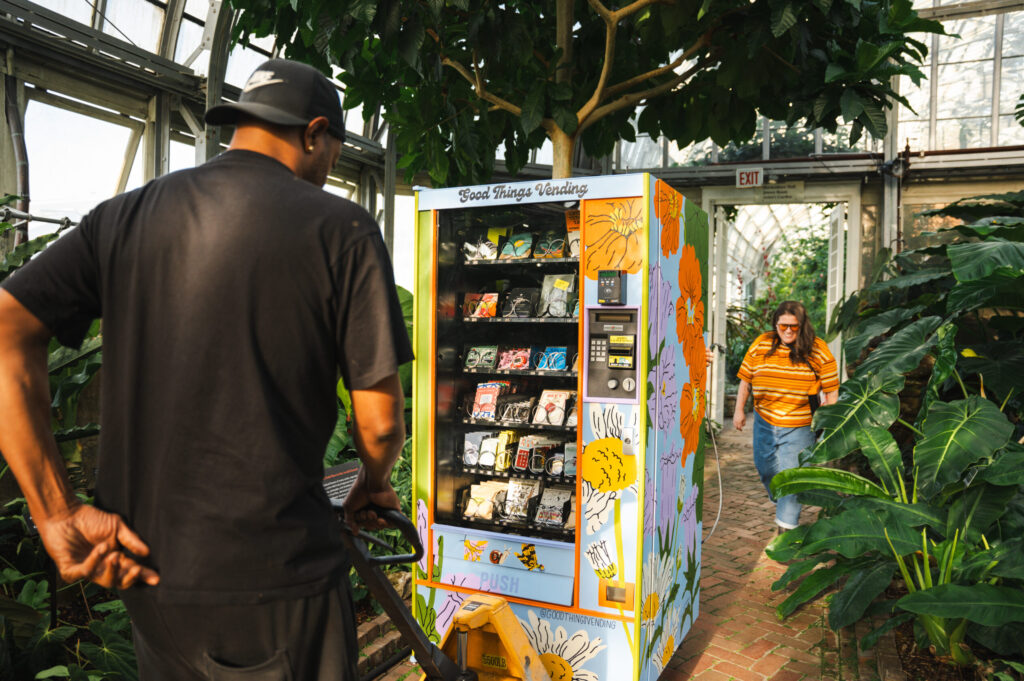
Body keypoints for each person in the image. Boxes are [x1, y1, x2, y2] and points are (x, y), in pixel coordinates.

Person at [0, 58, 413, 680]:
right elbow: (379, 424)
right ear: (314, 132)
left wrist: (56, 513)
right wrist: (373, 483)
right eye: (333, 152)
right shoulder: (342, 229)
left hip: (148, 582)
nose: (329, 170)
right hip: (276, 587)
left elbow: (6, 329)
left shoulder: (123, 216)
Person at [732, 301, 838, 532]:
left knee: (792, 476)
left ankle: (786, 530)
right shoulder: (762, 344)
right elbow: (746, 379)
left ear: (802, 326)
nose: (788, 331)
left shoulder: (818, 349)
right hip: (765, 420)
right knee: (766, 469)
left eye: (794, 326)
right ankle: (781, 499)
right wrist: (739, 410)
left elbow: (831, 392)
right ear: (775, 324)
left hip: (801, 424)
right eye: (783, 326)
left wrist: (829, 424)